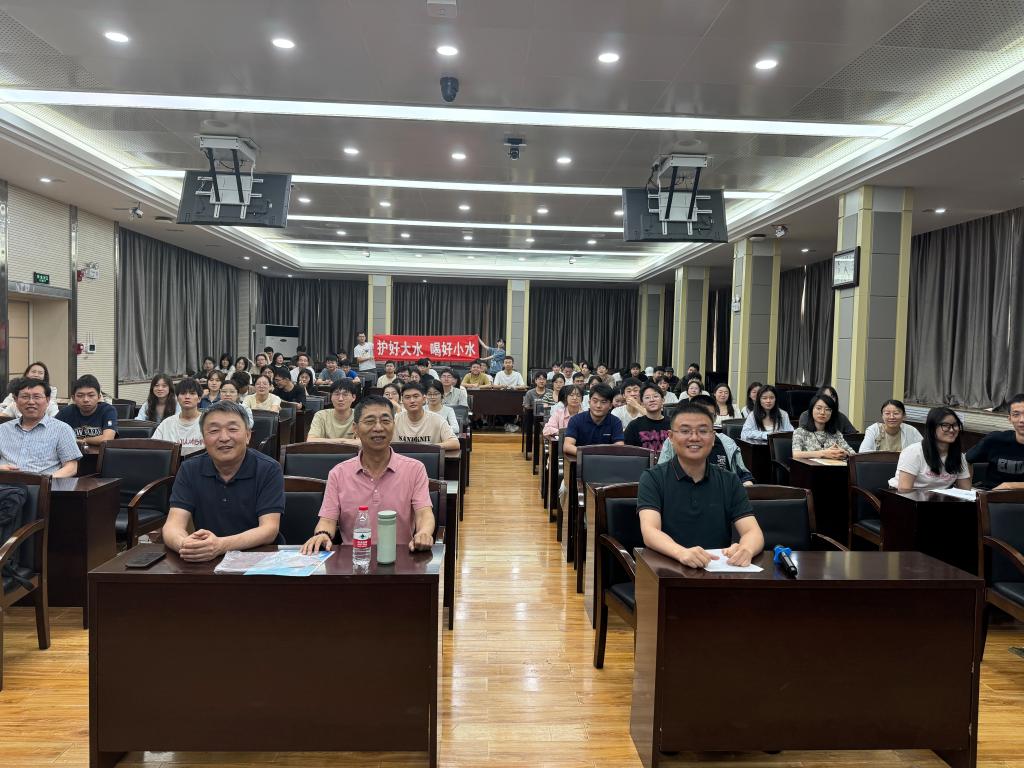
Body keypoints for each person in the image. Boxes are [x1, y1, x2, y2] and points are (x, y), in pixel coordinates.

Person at [301, 395, 435, 554]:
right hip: (354, 559)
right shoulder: (338, 473)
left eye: (385, 421)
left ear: (394, 425)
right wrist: (322, 534)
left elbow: (424, 514)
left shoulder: (415, 469)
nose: (378, 428)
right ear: (355, 428)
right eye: (370, 421)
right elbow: (327, 520)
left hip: (402, 557)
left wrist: (424, 533)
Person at [638, 403, 764, 568]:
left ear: (713, 438)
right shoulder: (653, 478)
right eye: (685, 431)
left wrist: (746, 549)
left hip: (716, 570)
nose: (694, 437)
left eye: (703, 431)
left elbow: (752, 531)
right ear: (671, 437)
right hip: (667, 570)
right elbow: (650, 531)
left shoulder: (730, 480)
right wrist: (681, 553)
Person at [162, 401, 283, 561]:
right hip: (207, 559)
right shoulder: (189, 469)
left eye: (232, 429)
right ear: (203, 438)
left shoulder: (268, 468)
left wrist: (220, 545)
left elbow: (269, 530)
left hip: (259, 558)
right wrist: (185, 545)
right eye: (214, 431)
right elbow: (172, 526)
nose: (224, 438)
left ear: (248, 435)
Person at [658, 395, 753, 486]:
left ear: (715, 417)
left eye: (709, 415)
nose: (703, 419)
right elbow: (662, 473)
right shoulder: (675, 440)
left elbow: (744, 475)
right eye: (699, 413)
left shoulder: (727, 442)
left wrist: (746, 484)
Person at [0, 377, 80, 476]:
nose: (31, 402)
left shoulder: (62, 429)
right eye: (25, 397)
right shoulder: (2, 429)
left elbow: (71, 467)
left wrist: (47, 480)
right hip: (5, 481)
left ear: (47, 400)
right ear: (16, 400)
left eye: (37, 397)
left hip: (43, 483)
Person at [890, 407, 971, 492]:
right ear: (932, 428)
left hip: (938, 498)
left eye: (955, 425)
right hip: (902, 496)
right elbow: (904, 490)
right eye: (945, 425)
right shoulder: (914, 452)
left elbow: (965, 491)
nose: (951, 430)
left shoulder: (959, 456)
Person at [965, 393, 1024, 489]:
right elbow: (966, 459)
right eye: (1016, 414)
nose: (1022, 420)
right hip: (990, 495)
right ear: (1010, 419)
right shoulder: (994, 440)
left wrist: (1009, 486)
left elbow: (1008, 486)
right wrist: (967, 489)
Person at [393, 382, 460, 452]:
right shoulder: (395, 420)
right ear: (402, 400)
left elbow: (454, 443)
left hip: (428, 458)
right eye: (407, 397)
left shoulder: (437, 419)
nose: (412, 401)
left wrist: (428, 447)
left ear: (424, 399)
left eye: (416, 396)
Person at [563, 384, 624, 459]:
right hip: (581, 462)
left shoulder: (615, 422)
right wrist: (589, 455)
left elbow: (619, 447)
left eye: (603, 402)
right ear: (589, 402)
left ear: (610, 405)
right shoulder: (576, 420)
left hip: (606, 462)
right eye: (595, 401)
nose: (598, 405)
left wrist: (599, 457)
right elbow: (567, 446)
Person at [57, 374, 118, 446]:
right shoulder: (66, 412)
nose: (86, 400)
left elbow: (107, 438)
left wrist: (84, 440)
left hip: (100, 453)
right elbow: (50, 433)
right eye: (80, 396)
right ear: (73, 398)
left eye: (91, 395)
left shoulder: (108, 410)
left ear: (99, 397)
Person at [791, 393, 856, 459]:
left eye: (827, 409)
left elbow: (853, 454)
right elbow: (796, 454)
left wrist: (844, 453)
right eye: (818, 408)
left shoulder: (836, 434)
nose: (822, 412)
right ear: (811, 410)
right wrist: (823, 453)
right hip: (809, 465)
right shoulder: (800, 432)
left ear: (831, 413)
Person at [153, 378, 205, 455]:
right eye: (183, 393)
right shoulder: (167, 423)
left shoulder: (207, 422)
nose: (187, 397)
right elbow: (153, 448)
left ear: (199, 399)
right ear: (177, 398)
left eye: (192, 393)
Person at [307, 379, 360, 444]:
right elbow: (311, 440)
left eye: (345, 395)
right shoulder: (321, 415)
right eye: (337, 394)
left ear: (353, 397)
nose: (340, 399)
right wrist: (342, 441)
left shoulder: (360, 416)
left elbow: (363, 442)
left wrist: (332, 442)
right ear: (331, 397)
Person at [624, 383, 671, 452]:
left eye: (655, 396)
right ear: (642, 403)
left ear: (663, 400)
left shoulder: (673, 423)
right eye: (647, 397)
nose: (652, 400)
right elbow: (627, 452)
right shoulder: (634, 425)